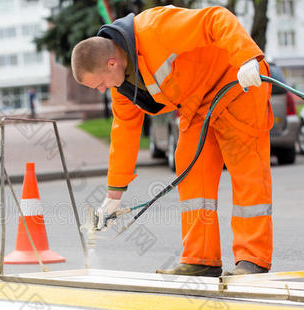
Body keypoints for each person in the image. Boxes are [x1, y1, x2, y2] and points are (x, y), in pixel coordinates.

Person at [71, 6, 274, 277]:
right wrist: (113, 196)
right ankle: (201, 259)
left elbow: (215, 18)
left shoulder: (156, 28)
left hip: (237, 84)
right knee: (191, 174)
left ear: (111, 63)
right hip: (198, 104)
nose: (101, 89)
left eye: (98, 83)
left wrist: (247, 58)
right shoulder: (123, 85)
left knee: (246, 171)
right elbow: (124, 132)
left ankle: (252, 259)